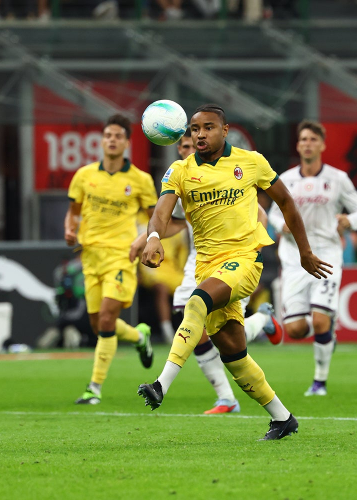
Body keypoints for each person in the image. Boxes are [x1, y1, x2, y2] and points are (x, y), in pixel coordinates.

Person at [137, 104, 331, 440]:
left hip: (244, 260)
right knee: (234, 354)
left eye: (208, 127)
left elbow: (286, 202)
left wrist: (305, 252)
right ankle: (283, 419)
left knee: (195, 303)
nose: (200, 134)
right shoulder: (179, 171)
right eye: (195, 129)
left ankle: (161, 384)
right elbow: (162, 213)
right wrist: (153, 237)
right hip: (207, 266)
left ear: (225, 130)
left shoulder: (251, 162)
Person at [131, 128, 284, 415]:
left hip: (235, 262)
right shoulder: (184, 177)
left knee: (213, 324)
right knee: (203, 325)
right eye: (184, 146)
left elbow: (260, 213)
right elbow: (175, 221)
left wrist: (251, 248)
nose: (190, 149)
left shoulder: (229, 172)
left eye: (194, 144)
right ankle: (230, 395)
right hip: (201, 261)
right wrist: (148, 238)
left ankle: (261, 323)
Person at [268, 120, 357, 396]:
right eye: (303, 139)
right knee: (296, 330)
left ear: (322, 145)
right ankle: (328, 337)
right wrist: (280, 225)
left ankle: (319, 382)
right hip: (294, 259)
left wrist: (349, 221)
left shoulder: (338, 179)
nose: (308, 144)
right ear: (297, 145)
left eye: (313, 139)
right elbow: (273, 214)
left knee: (320, 321)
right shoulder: (286, 179)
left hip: (326, 254)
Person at [64, 114, 155, 405]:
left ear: (127, 143)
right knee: (98, 324)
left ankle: (94, 388)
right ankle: (139, 337)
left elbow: (155, 219)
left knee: (105, 318)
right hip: (90, 257)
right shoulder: (84, 175)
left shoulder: (140, 180)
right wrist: (70, 229)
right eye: (107, 135)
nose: (112, 140)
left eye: (118, 136)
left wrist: (144, 240)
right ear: (101, 141)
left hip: (121, 255)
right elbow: (74, 212)